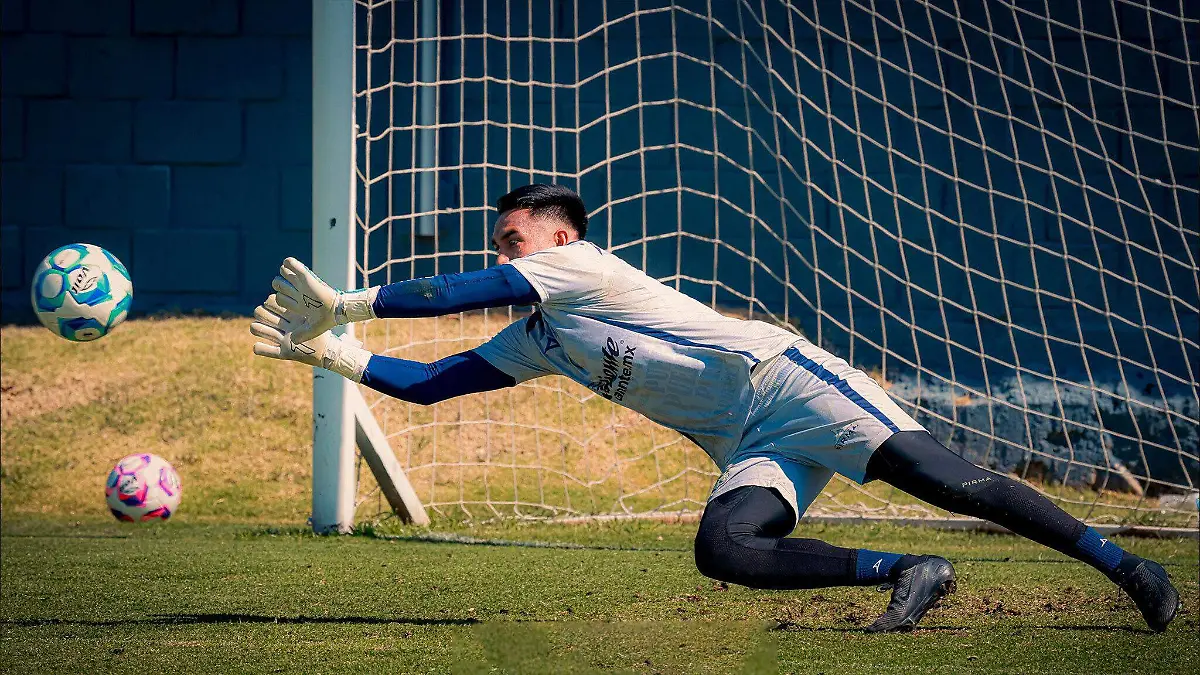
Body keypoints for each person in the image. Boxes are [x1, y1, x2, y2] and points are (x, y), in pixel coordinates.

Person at [250, 184, 1181, 632]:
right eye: (505, 243)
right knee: (723, 547)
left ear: (558, 238)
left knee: (949, 478)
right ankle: (911, 569)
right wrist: (333, 353)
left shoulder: (578, 267)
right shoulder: (536, 335)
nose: (507, 252)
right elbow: (435, 382)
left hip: (789, 381)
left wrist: (354, 300)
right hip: (748, 435)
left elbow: (461, 288)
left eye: (514, 237)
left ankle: (1125, 563)